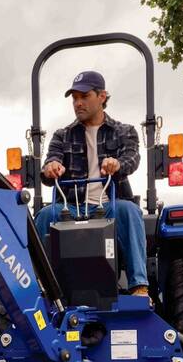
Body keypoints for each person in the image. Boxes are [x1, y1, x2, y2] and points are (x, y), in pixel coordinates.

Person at [35, 70, 148, 298]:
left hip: (109, 206)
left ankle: (139, 286)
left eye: (84, 96)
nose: (78, 103)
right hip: (72, 207)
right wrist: (51, 168)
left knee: (130, 211)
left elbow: (131, 159)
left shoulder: (125, 131)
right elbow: (51, 163)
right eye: (75, 98)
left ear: (102, 96)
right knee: (45, 215)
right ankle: (38, 286)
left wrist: (117, 164)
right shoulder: (62, 135)